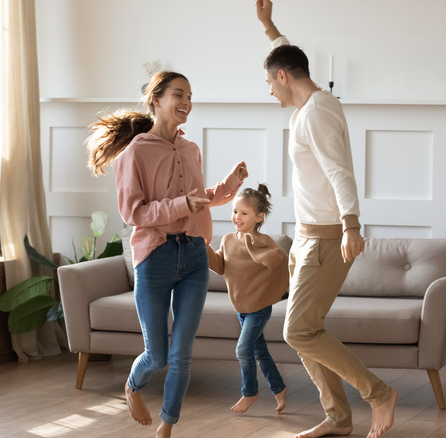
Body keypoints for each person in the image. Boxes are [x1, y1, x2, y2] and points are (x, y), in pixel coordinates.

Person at [254, 2, 399, 438]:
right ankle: (338, 418)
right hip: (305, 237)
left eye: (270, 82)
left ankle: (378, 394)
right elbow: (285, 54)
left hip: (325, 239)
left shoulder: (315, 112)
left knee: (298, 330)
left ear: (283, 77)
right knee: (305, 331)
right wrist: (269, 27)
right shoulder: (315, 102)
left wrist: (352, 225)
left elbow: (339, 171)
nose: (270, 92)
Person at [85, 71, 248, 438]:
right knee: (157, 355)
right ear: (156, 99)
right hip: (155, 257)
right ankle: (132, 386)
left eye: (190, 95)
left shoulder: (191, 149)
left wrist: (229, 186)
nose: (187, 101)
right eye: (179, 94)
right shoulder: (135, 152)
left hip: (193, 255)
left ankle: (167, 427)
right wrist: (180, 205)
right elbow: (133, 213)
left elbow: (197, 200)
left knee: (182, 354)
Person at [205, 184, 289, 415]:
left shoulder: (264, 241)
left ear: (259, 217)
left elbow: (275, 260)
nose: (237, 217)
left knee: (243, 349)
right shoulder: (228, 239)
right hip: (241, 307)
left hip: (259, 307)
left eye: (244, 213)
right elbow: (221, 266)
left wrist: (252, 247)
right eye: (234, 211)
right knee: (259, 351)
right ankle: (279, 389)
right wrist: (205, 250)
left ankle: (249, 391)